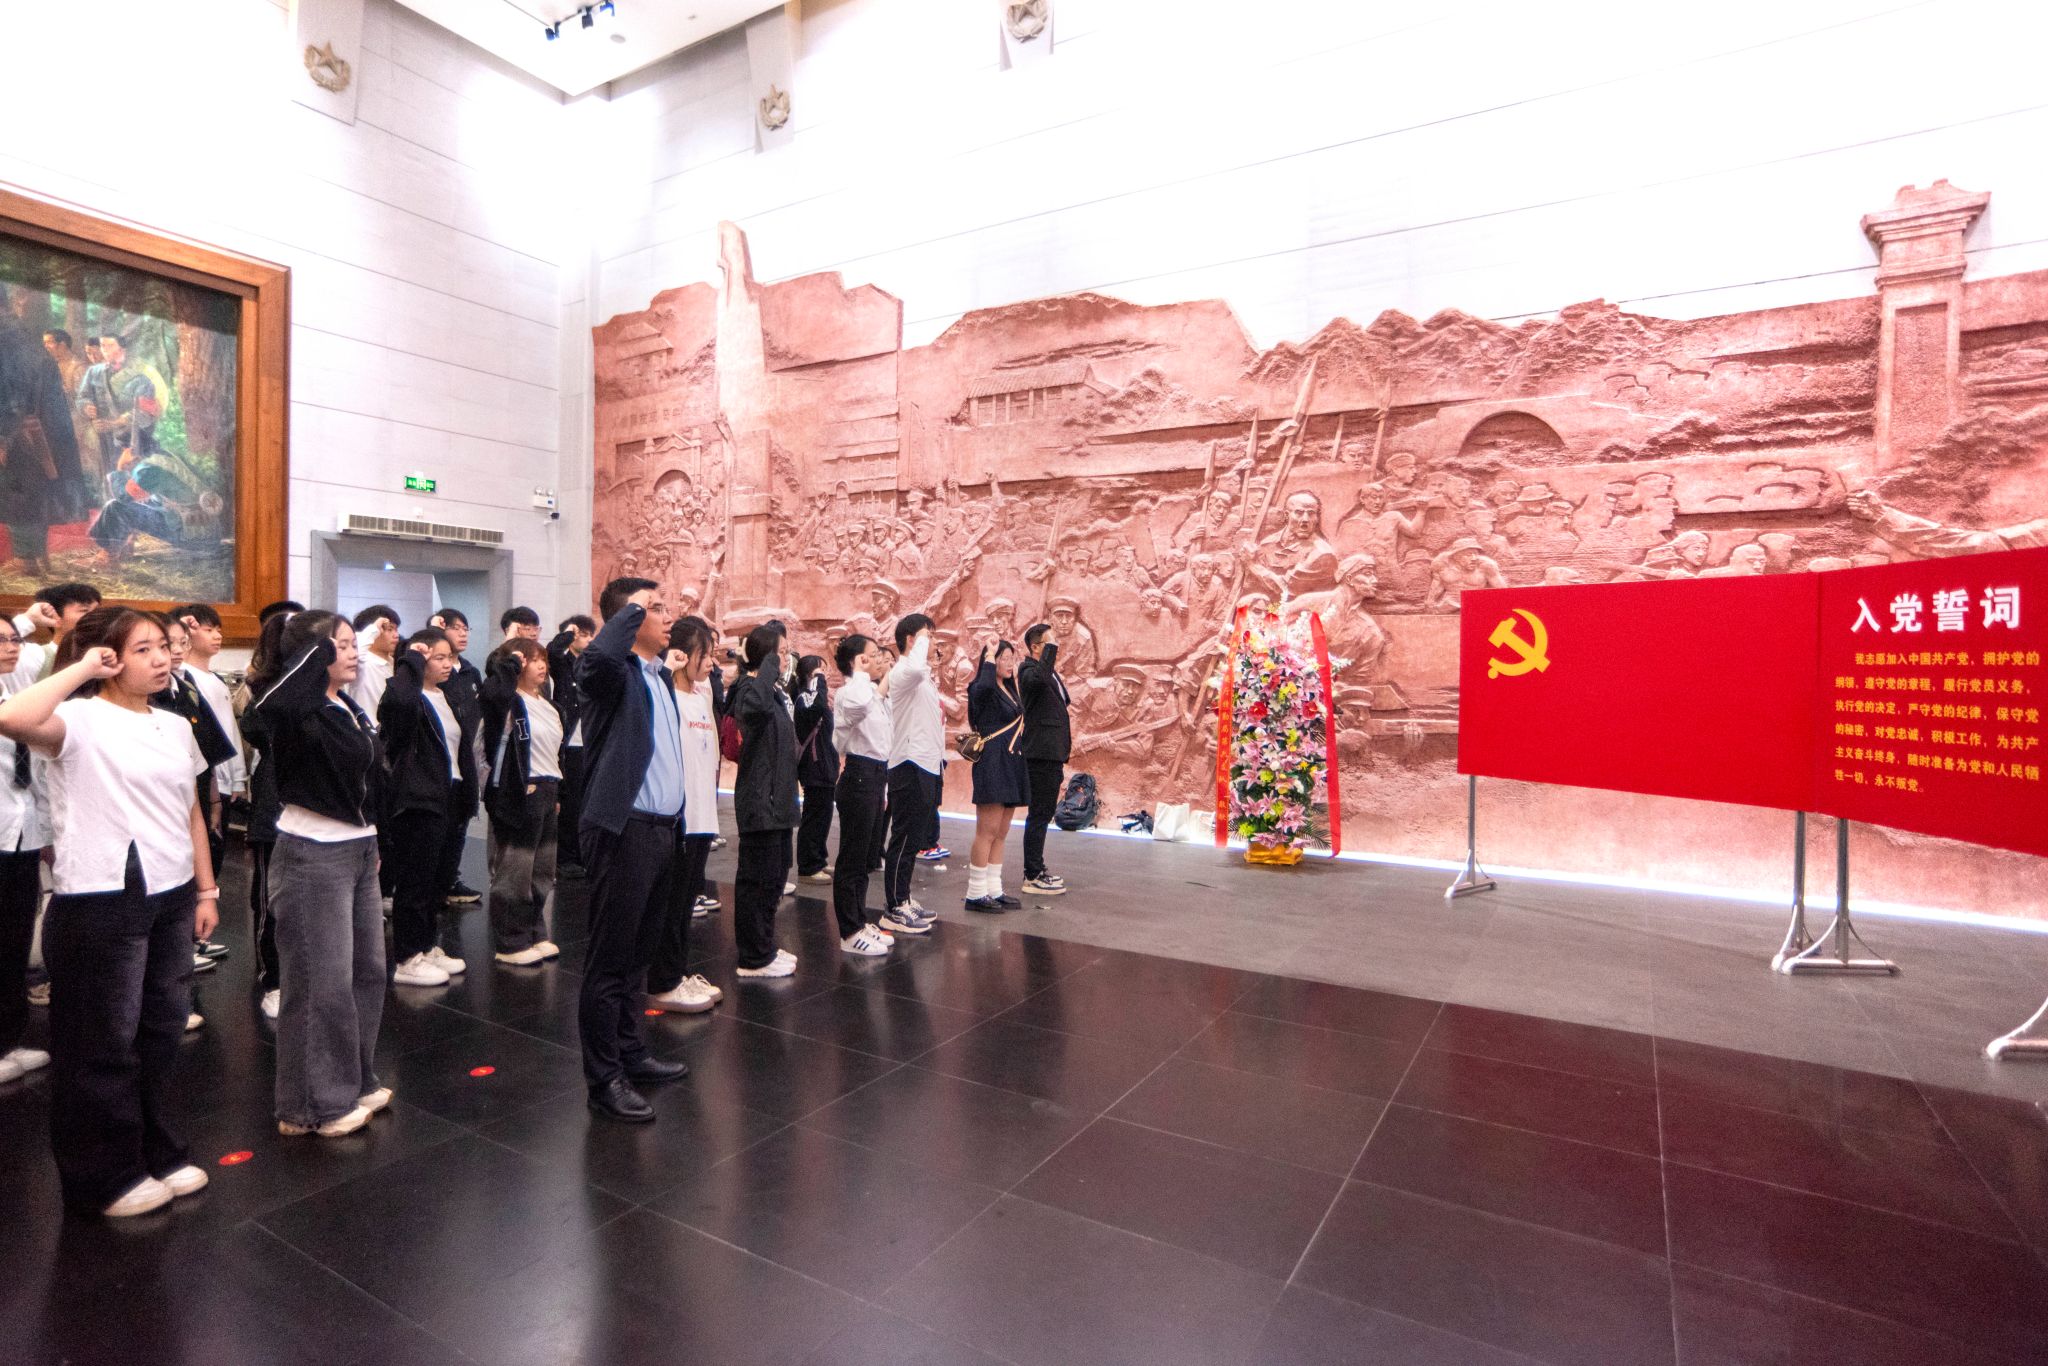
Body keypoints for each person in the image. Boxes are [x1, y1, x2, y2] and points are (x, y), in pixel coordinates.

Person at [0, 608, 219, 1217]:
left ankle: (158, 1151)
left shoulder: (173, 725)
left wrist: (206, 891)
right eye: (143, 649)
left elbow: (190, 809)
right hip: (102, 896)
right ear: (109, 657)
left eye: (163, 647)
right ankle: (106, 1175)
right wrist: (83, 669)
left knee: (161, 1032)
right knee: (103, 1042)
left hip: (172, 889)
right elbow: (11, 717)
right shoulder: (78, 717)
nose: (161, 658)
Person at [250, 610, 390, 1139]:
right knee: (319, 983)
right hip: (312, 855)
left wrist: (372, 837)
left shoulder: (345, 705)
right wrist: (316, 652)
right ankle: (313, 1104)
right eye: (342, 645)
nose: (353, 653)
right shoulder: (295, 709)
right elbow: (272, 705)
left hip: (357, 849)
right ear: (313, 654)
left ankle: (353, 1078)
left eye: (353, 644)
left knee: (367, 972)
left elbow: (369, 781)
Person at [574, 578, 689, 1124]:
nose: (668, 616)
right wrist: (631, 609)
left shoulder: (657, 676)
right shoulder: (612, 673)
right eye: (654, 608)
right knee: (610, 960)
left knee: (638, 957)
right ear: (628, 619)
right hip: (624, 831)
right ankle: (604, 1079)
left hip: (661, 831)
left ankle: (631, 1053)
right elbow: (595, 659)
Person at [378, 628, 475, 988]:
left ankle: (427, 944)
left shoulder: (446, 695)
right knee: (415, 881)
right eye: (439, 657)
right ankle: (407, 957)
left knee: (438, 879)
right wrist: (412, 661)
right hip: (419, 799)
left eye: (450, 657)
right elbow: (398, 706)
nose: (448, 664)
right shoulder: (407, 695)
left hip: (451, 794)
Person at [645, 616, 724, 1011]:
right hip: (679, 818)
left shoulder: (701, 695)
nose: (710, 662)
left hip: (703, 817)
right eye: (703, 655)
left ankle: (677, 973)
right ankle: (663, 981)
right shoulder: (665, 697)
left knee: (686, 902)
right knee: (671, 904)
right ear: (682, 654)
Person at [154, 616, 238, 972]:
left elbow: (208, 751)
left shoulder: (186, 686)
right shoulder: (152, 693)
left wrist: (216, 798)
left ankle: (193, 937)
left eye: (179, 643)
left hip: (198, 791)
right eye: (166, 644)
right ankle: (181, 945)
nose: (173, 652)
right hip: (166, 806)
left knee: (205, 858)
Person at [479, 638, 564, 967]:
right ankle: (510, 941)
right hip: (520, 791)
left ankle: (533, 930)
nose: (541, 665)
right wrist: (510, 664)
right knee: (515, 869)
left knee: (542, 870)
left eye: (542, 659)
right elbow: (491, 693)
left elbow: (556, 752)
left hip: (548, 789)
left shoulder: (549, 705)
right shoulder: (508, 700)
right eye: (531, 660)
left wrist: (557, 794)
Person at [730, 624, 801, 977]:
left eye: (786, 653)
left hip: (779, 802)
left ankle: (765, 947)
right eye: (781, 652)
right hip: (760, 802)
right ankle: (752, 957)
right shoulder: (748, 688)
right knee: (757, 882)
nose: (786, 659)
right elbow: (754, 710)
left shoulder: (773, 692)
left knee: (775, 878)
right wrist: (770, 663)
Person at [0, 616, 52, 1085]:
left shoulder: (15, 699)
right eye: (1, 640)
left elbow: (34, 775)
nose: (11, 647)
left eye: (14, 639)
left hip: (21, 834)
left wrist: (47, 835)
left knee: (14, 939)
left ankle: (9, 1040)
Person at [237, 612, 294, 1019]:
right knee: (272, 900)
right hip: (274, 806)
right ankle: (272, 978)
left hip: (317, 811)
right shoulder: (263, 688)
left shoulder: (329, 689)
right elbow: (257, 731)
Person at [829, 634, 899, 954]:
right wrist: (859, 671)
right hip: (858, 776)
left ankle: (859, 919)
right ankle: (849, 932)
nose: (879, 658)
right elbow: (858, 706)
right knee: (852, 858)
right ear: (858, 660)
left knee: (866, 858)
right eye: (872, 654)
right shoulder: (849, 692)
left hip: (875, 775)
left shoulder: (871, 692)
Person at [880, 614, 943, 935]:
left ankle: (903, 897)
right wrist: (921, 639)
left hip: (926, 764)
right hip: (908, 764)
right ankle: (894, 908)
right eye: (927, 636)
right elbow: (916, 667)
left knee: (915, 838)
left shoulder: (921, 676)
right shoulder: (903, 671)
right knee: (904, 837)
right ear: (910, 640)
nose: (933, 642)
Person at [964, 641, 1028, 911]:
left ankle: (994, 889)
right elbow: (983, 688)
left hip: (1011, 761)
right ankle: (975, 893)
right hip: (992, 762)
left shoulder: (1010, 688)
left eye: (1012, 657)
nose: (1009, 663)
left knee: (1001, 832)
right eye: (1003, 657)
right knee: (987, 831)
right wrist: (989, 656)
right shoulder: (982, 688)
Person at [428, 609, 485, 906]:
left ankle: (450, 881)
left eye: (466, 628)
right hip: (439, 760)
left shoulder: (470, 672)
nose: (463, 634)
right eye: (456, 628)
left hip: (466, 756)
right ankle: (433, 886)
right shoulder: (434, 671)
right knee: (438, 827)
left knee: (461, 821)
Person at [1016, 623, 1071, 897]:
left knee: (1044, 813)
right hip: (1040, 754)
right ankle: (1032, 874)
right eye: (1050, 643)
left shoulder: (1046, 672)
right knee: (1038, 814)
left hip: (1051, 753)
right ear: (1036, 647)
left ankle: (1037, 868)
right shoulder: (1027, 670)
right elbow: (1037, 680)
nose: (1056, 646)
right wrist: (1048, 653)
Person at [549, 614, 595, 878]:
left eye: (590, 635)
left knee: (587, 802)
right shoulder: (562, 663)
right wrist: (568, 633)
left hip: (590, 741)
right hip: (570, 743)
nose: (587, 640)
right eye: (582, 635)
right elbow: (553, 651)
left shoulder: (590, 665)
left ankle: (583, 854)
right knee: (571, 803)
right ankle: (566, 857)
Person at [792, 653, 838, 884]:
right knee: (814, 816)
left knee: (823, 815)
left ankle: (819, 858)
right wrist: (818, 679)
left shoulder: (816, 697)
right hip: (814, 766)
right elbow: (816, 706)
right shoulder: (804, 697)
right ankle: (808, 866)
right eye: (821, 670)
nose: (825, 675)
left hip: (825, 766)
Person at [347, 604, 401, 716]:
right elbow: (355, 648)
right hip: (367, 725)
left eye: (396, 629)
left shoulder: (396, 663)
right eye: (389, 629)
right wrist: (374, 628)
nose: (396, 635)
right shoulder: (362, 661)